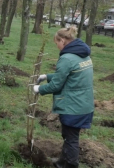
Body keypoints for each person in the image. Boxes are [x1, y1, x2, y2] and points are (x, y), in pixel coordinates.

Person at [33, 26, 94, 168]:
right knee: (68, 135)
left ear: (63, 40)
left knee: (71, 138)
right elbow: (70, 76)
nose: (57, 47)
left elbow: (56, 86)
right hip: (84, 103)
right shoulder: (83, 54)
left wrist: (39, 89)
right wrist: (46, 76)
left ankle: (71, 165)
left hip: (73, 106)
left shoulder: (66, 58)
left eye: (57, 43)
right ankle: (62, 162)